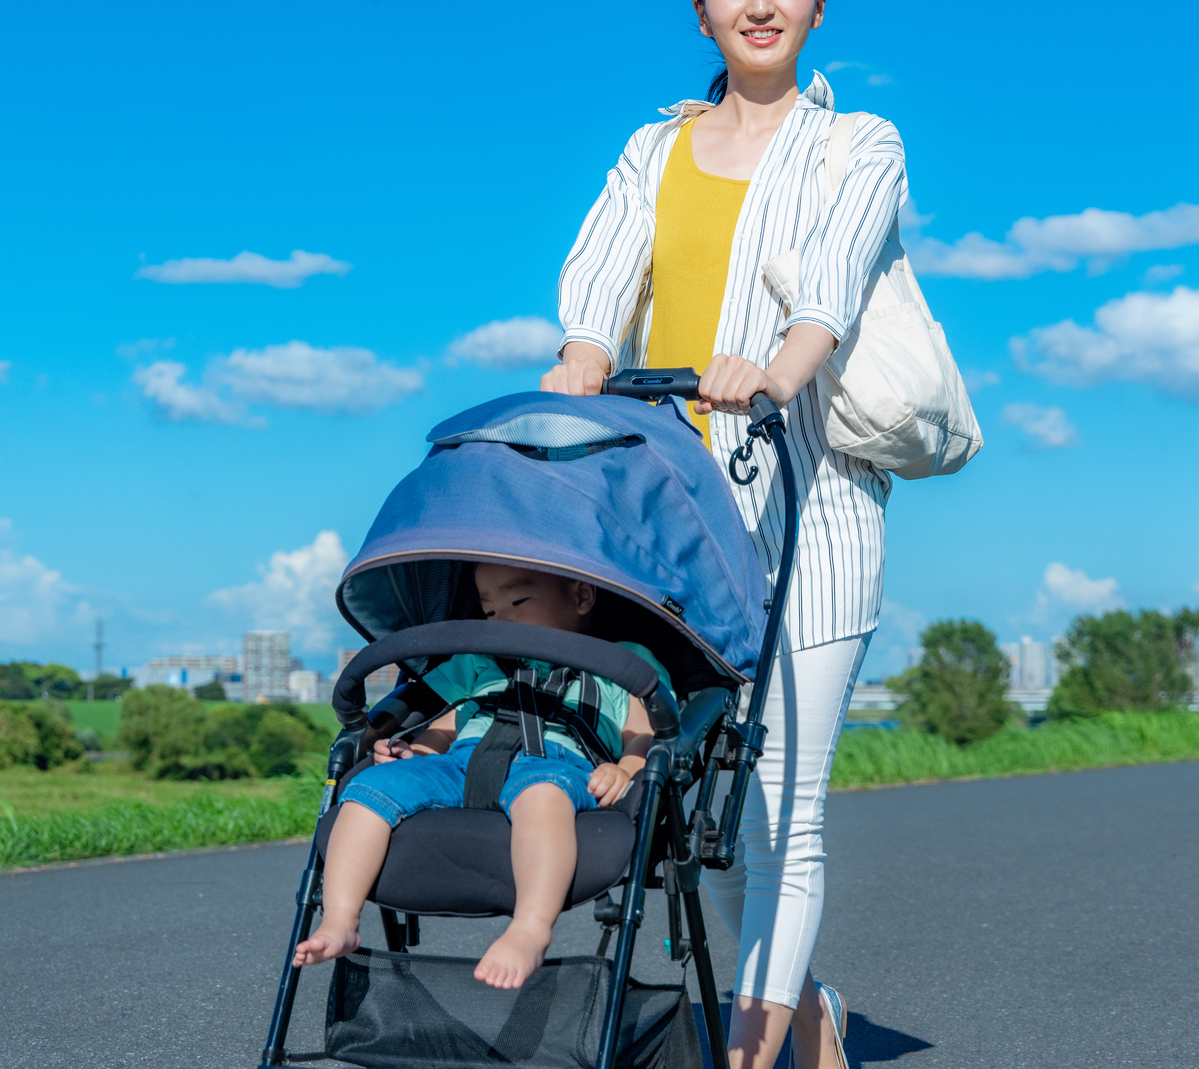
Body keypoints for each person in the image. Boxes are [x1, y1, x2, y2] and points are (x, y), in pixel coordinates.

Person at [543, 2, 902, 1067]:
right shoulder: (652, 148)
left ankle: (745, 1057)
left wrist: (775, 372)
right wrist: (580, 355)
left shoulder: (857, 143)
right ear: (698, 13)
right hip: (680, 512)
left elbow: (831, 278)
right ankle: (806, 1014)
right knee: (712, 818)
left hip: (812, 499)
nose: (759, 5)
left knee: (785, 810)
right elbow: (602, 276)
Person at [290, 563, 669, 990]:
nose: (500, 620)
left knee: (543, 797)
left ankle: (530, 928)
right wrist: (414, 751)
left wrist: (626, 770)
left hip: (556, 761)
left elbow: (645, 734)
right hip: (462, 761)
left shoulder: (619, 660)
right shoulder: (478, 659)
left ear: (581, 596)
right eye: (488, 612)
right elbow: (443, 724)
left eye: (518, 601)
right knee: (367, 789)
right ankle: (341, 917)